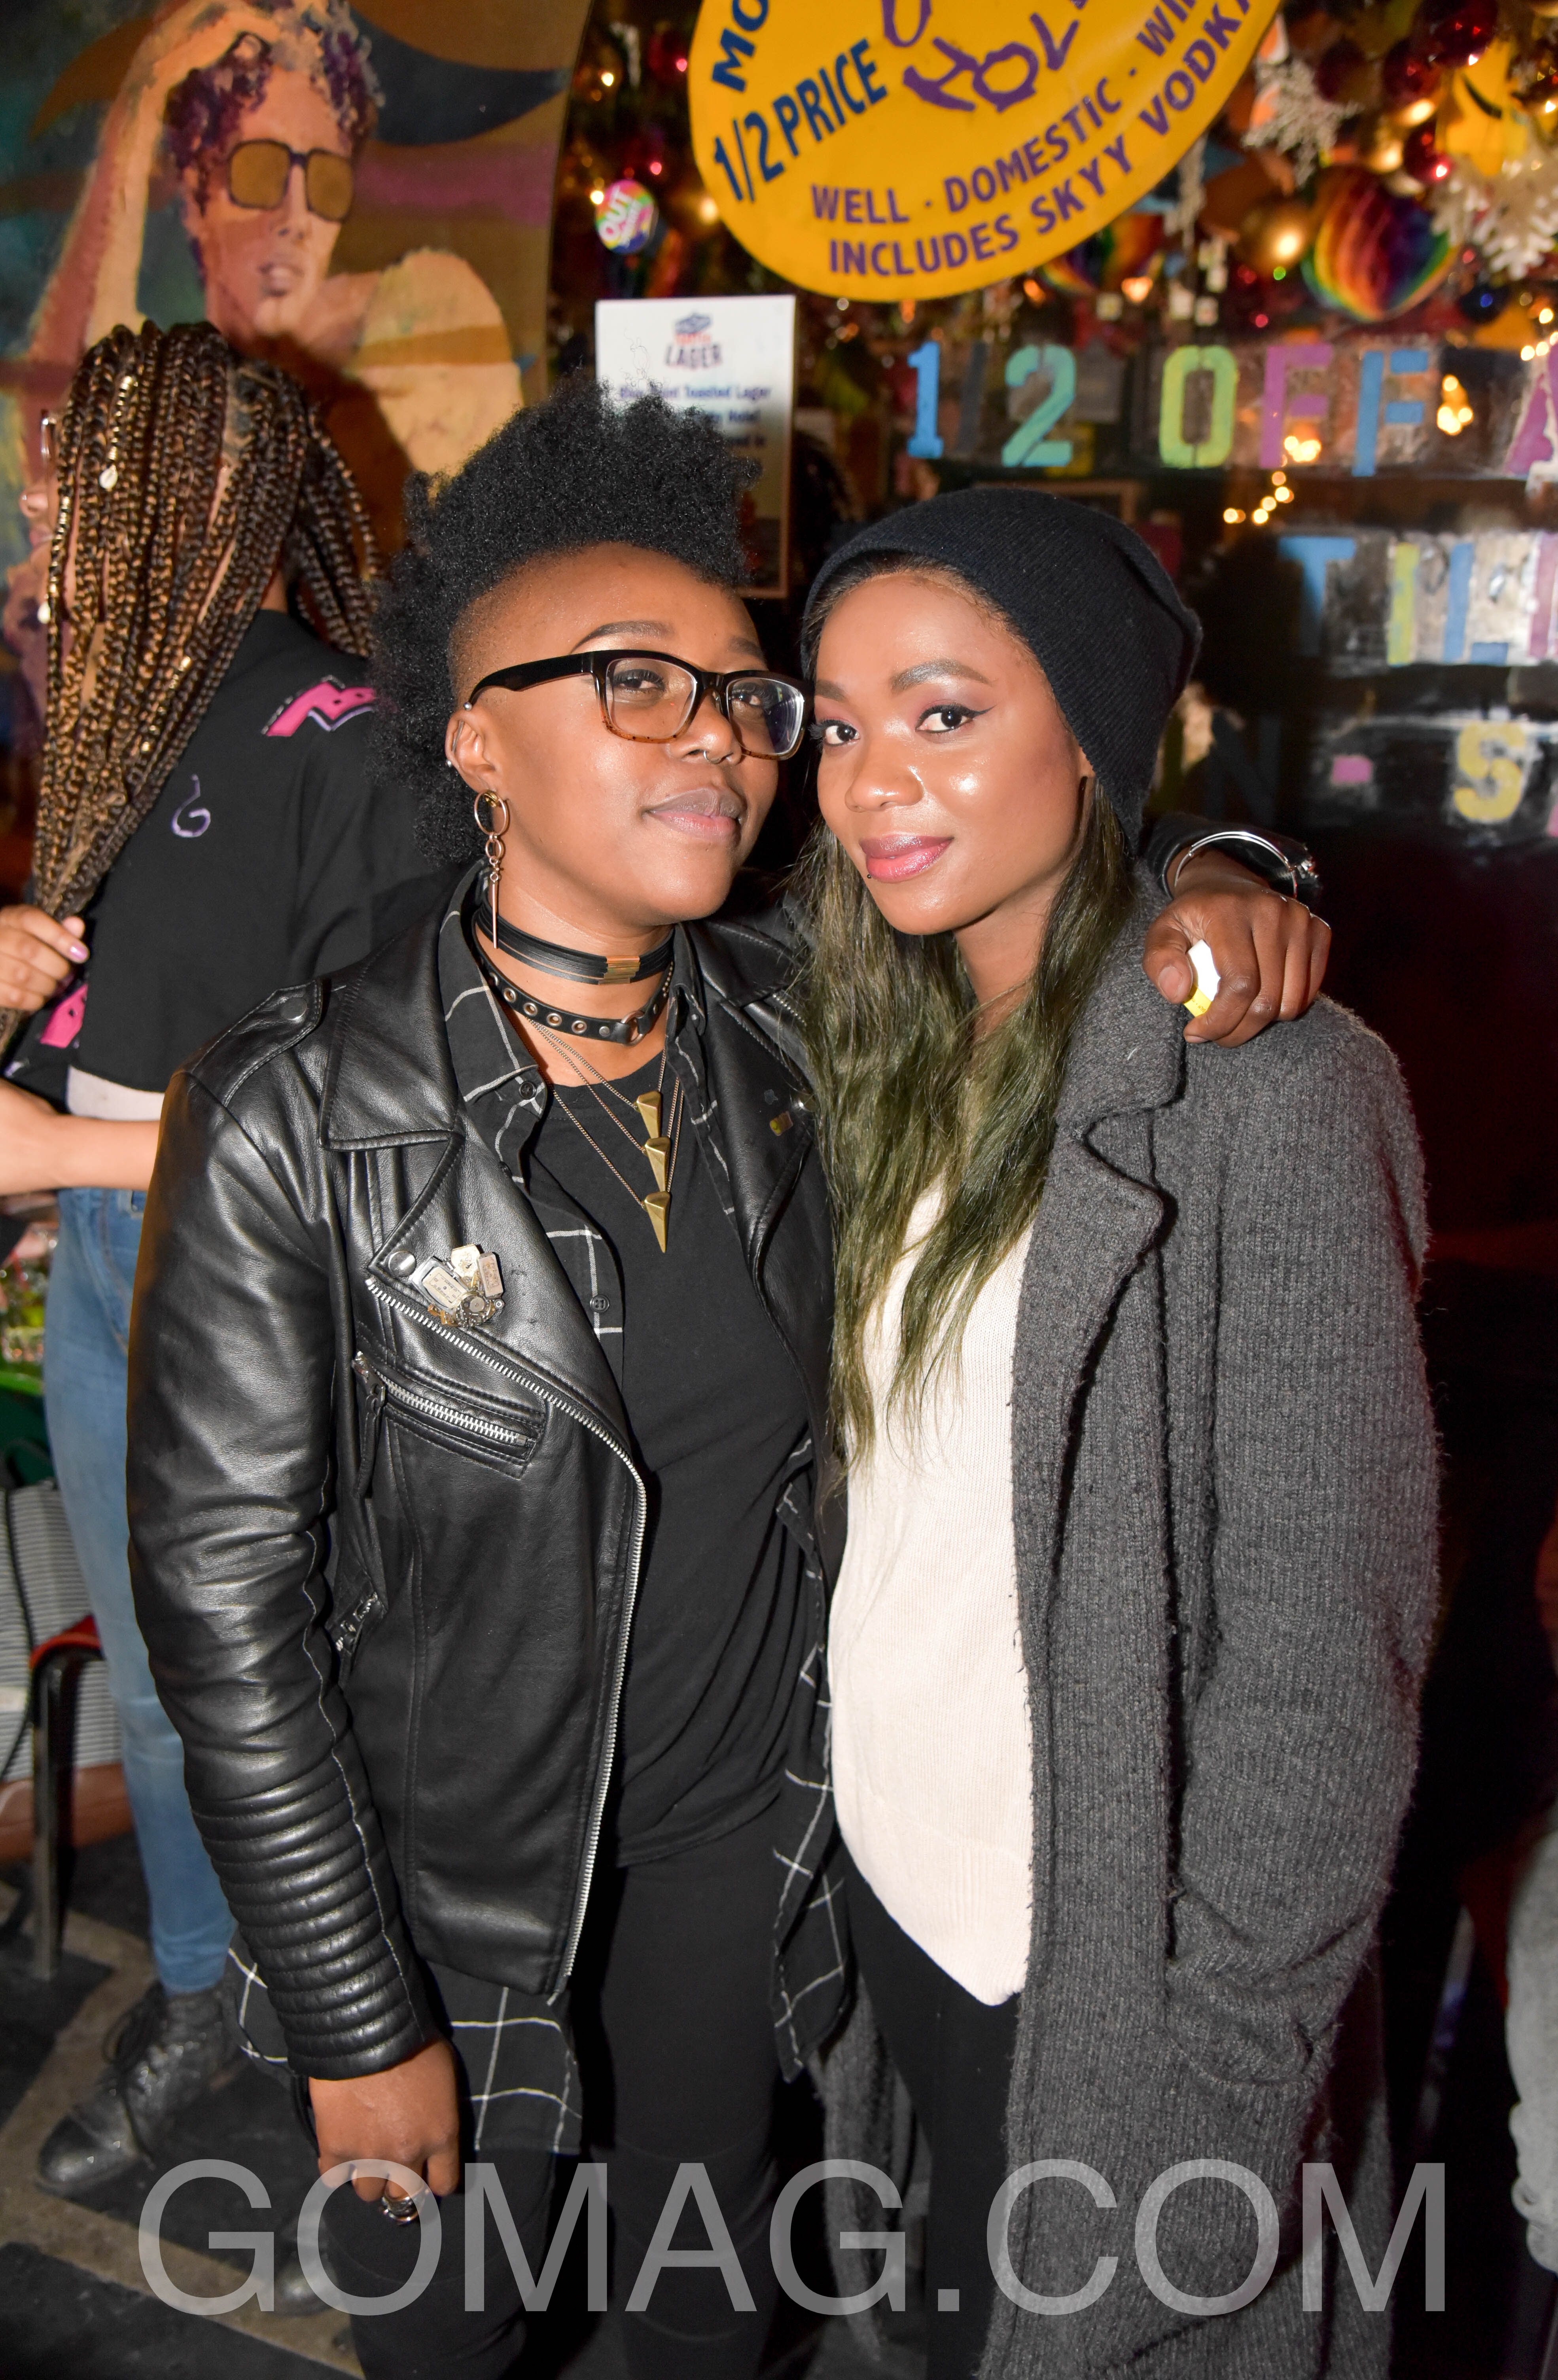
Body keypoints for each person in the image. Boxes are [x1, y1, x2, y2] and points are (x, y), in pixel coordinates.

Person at [123, 377, 1326, 2379]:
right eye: (633, 682)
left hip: (735, 1867)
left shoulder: (799, 1024)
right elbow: (224, 1614)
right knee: (449, 2340)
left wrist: (1227, 858)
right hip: (441, 1917)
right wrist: (352, 2007)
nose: (719, 737)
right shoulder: (294, 1113)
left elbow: (1032, 869)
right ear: (474, 737)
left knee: (705, 2317)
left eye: (750, 700)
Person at [801, 493, 1441, 2377]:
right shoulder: (872, 1038)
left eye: (941, 713)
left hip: (1101, 1968)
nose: (870, 781)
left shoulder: (1267, 1090)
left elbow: (1327, 1653)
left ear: (1084, 729)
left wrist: (1220, 2086)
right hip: (891, 1891)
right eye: (836, 724)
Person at [0, 317, 450, 2199]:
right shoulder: (124, 725)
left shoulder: (347, 736)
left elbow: (389, 1117)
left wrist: (66, 1153)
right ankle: (207, 1991)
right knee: (166, 1690)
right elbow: (127, 1016)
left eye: (87, 497)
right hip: (113, 1257)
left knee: (287, 1677)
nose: (54, 538)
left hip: (268, 1293)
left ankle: (353, 2015)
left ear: (204, 503)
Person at [21, 0, 522, 548]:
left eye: (327, 182)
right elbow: (64, 415)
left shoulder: (420, 322)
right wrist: (139, 110)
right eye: (261, 172)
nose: (296, 219)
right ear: (196, 193)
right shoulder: (167, 393)